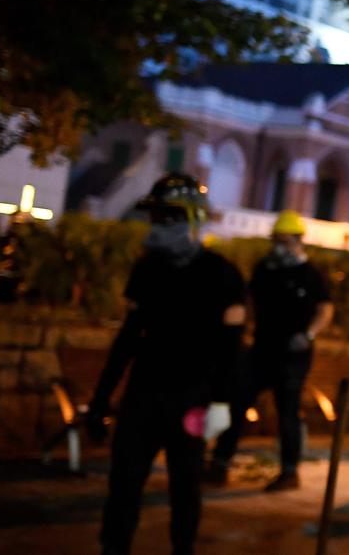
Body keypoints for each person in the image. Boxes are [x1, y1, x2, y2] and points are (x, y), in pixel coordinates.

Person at [85, 173, 246, 555]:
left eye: (168, 217)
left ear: (191, 220)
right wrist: (101, 398)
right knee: (123, 486)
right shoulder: (148, 270)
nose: (158, 226)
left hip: (192, 401)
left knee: (185, 488)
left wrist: (224, 403)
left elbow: (231, 349)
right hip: (143, 397)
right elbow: (127, 340)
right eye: (156, 217)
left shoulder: (222, 274)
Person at [207, 210, 333, 491]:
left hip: (293, 354)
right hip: (262, 349)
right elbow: (249, 301)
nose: (278, 246)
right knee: (238, 402)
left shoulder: (311, 275)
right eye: (276, 240)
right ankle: (220, 463)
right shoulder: (265, 269)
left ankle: (289, 472)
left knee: (287, 411)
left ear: (298, 240)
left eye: (284, 240)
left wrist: (308, 335)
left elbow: (325, 310)